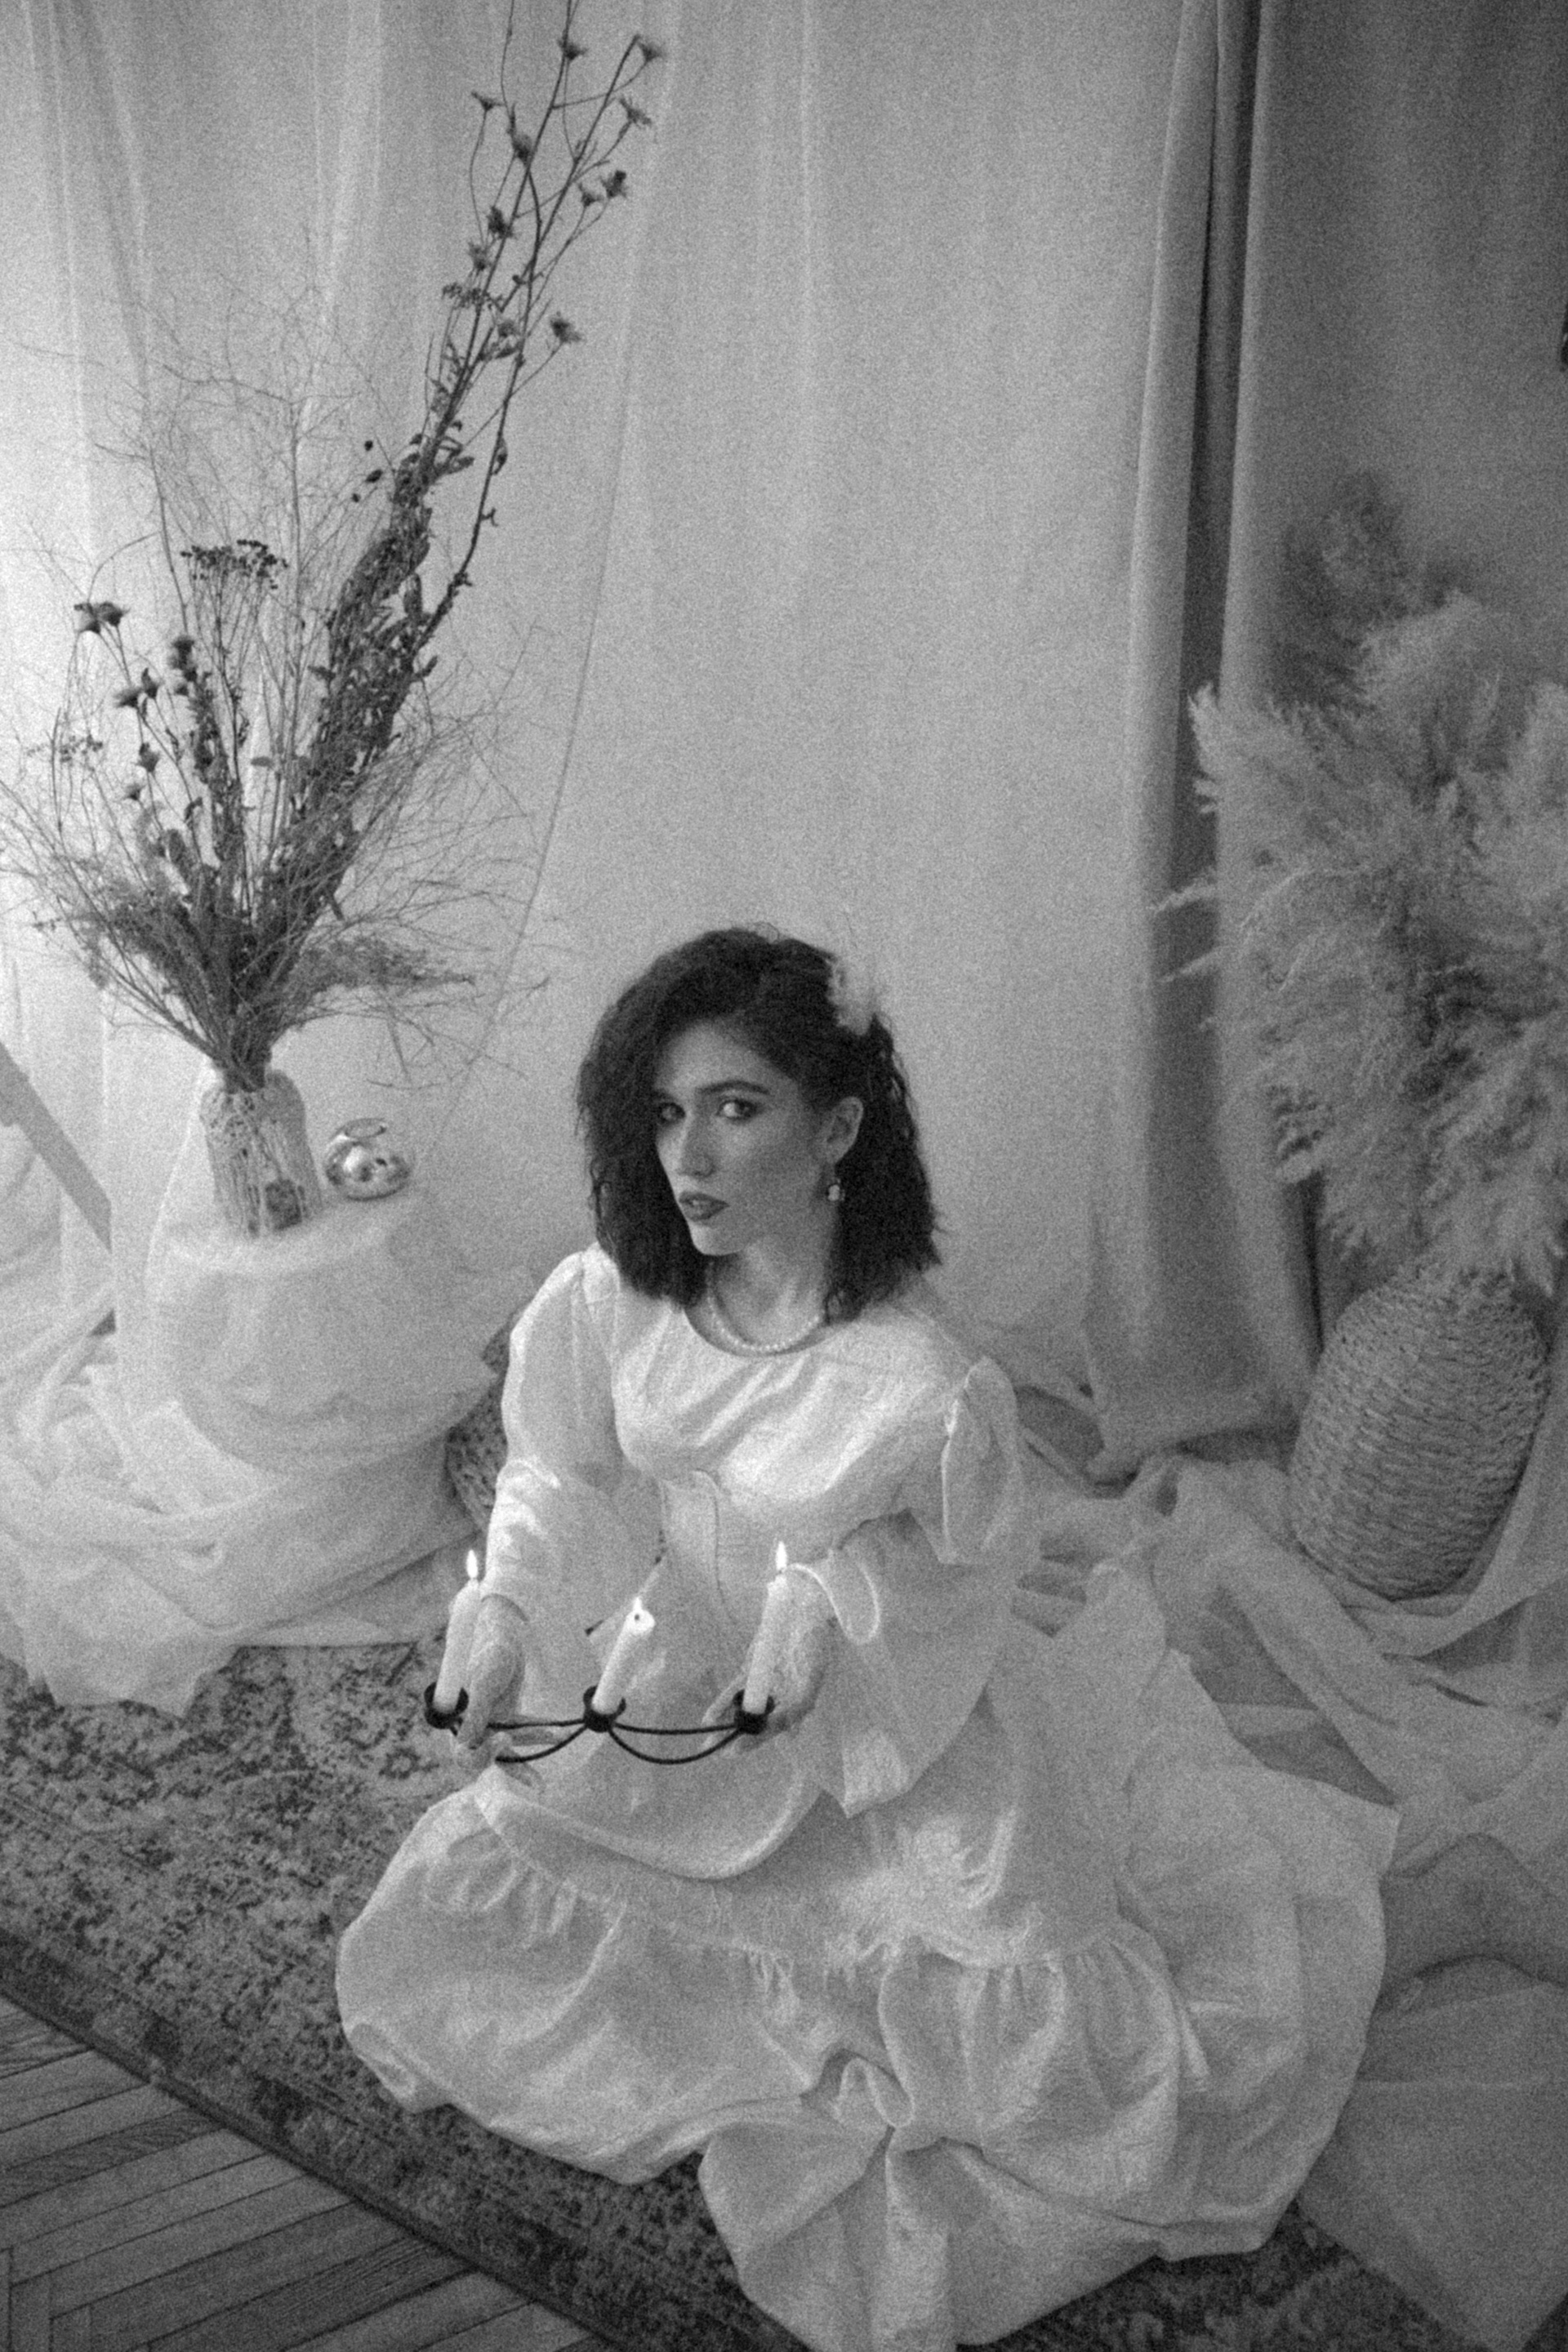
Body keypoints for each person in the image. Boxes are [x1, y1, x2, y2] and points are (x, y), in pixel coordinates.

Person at [337, 925, 1568, 2352]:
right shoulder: (616, 1298)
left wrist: (823, 1621)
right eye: (667, 1114)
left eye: (737, 1109)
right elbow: (563, 1477)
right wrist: (506, 1614)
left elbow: (947, 1592)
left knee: (1092, 2067)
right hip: (680, 1689)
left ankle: (1439, 1906)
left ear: (836, 1129)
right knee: (468, 1909)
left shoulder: (916, 1383)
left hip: (886, 1727)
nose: (691, 1158)